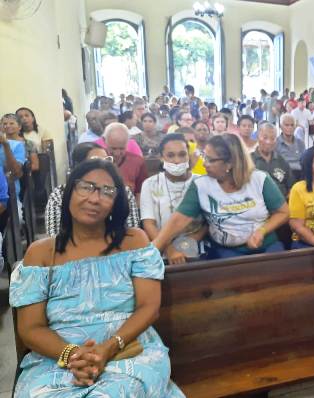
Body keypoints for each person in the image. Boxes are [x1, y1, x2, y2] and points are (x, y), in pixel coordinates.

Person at [10, 159, 185, 397]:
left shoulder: (133, 242)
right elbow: (31, 327)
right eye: (86, 187)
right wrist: (73, 355)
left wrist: (107, 348)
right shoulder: (40, 253)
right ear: (70, 191)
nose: (94, 198)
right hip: (57, 358)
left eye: (107, 192)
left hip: (127, 349)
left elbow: (148, 307)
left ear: (115, 203)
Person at [153, 134, 289, 259]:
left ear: (229, 163)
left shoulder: (259, 179)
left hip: (266, 248)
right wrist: (154, 248)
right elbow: (178, 220)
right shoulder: (201, 185)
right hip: (224, 251)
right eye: (204, 156)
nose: (204, 163)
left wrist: (262, 231)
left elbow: (283, 212)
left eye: (210, 160)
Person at [45, 142, 140, 236]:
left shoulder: (123, 192)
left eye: (107, 160)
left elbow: (132, 231)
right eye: (95, 162)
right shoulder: (59, 194)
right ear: (78, 167)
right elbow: (55, 236)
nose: (103, 166)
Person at [140, 134, 206, 264]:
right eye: (170, 155)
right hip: (162, 251)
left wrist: (188, 244)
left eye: (182, 155)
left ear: (188, 156)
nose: (177, 160)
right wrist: (169, 249)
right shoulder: (150, 184)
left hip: (198, 249)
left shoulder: (201, 182)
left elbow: (208, 223)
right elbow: (149, 223)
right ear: (161, 157)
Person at [104, 123, 148, 198]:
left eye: (122, 148)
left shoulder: (137, 162)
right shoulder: (97, 159)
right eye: (113, 148)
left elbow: (140, 193)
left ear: (127, 143)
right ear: (105, 142)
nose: (117, 153)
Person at [252, 123, 294, 196]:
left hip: (281, 203)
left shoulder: (282, 161)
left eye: (273, 138)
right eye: (265, 138)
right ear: (258, 137)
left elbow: (291, 186)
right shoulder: (249, 160)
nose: (269, 142)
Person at [276, 113, 305, 181]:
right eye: (286, 125)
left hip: (300, 174)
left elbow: (304, 161)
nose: (290, 127)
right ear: (281, 126)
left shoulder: (300, 143)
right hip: (284, 175)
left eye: (292, 125)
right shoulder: (276, 143)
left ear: (295, 126)